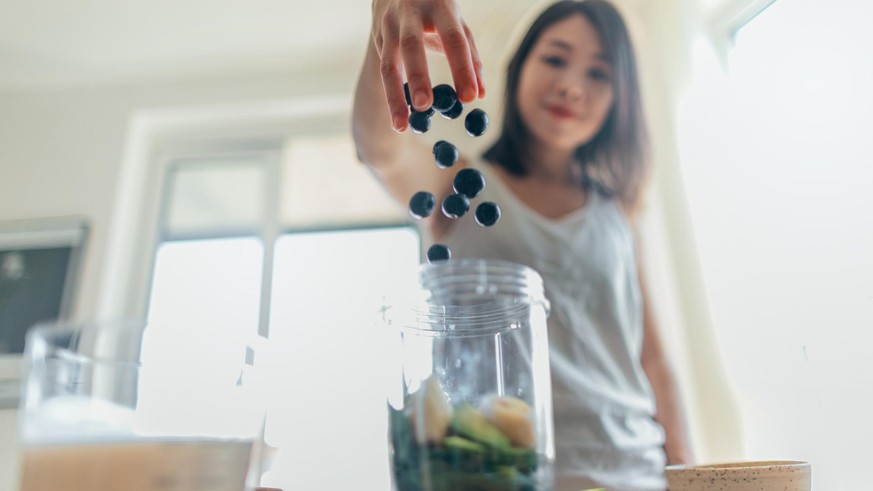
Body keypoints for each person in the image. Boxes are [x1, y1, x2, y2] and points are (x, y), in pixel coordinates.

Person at [352, 0, 695, 489]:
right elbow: (379, 149)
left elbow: (653, 359)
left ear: (620, 97)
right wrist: (381, 35)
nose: (571, 86)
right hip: (500, 471)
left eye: (598, 74)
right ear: (520, 67)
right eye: (555, 59)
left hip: (635, 471)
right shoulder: (459, 186)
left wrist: (685, 467)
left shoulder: (619, 214)